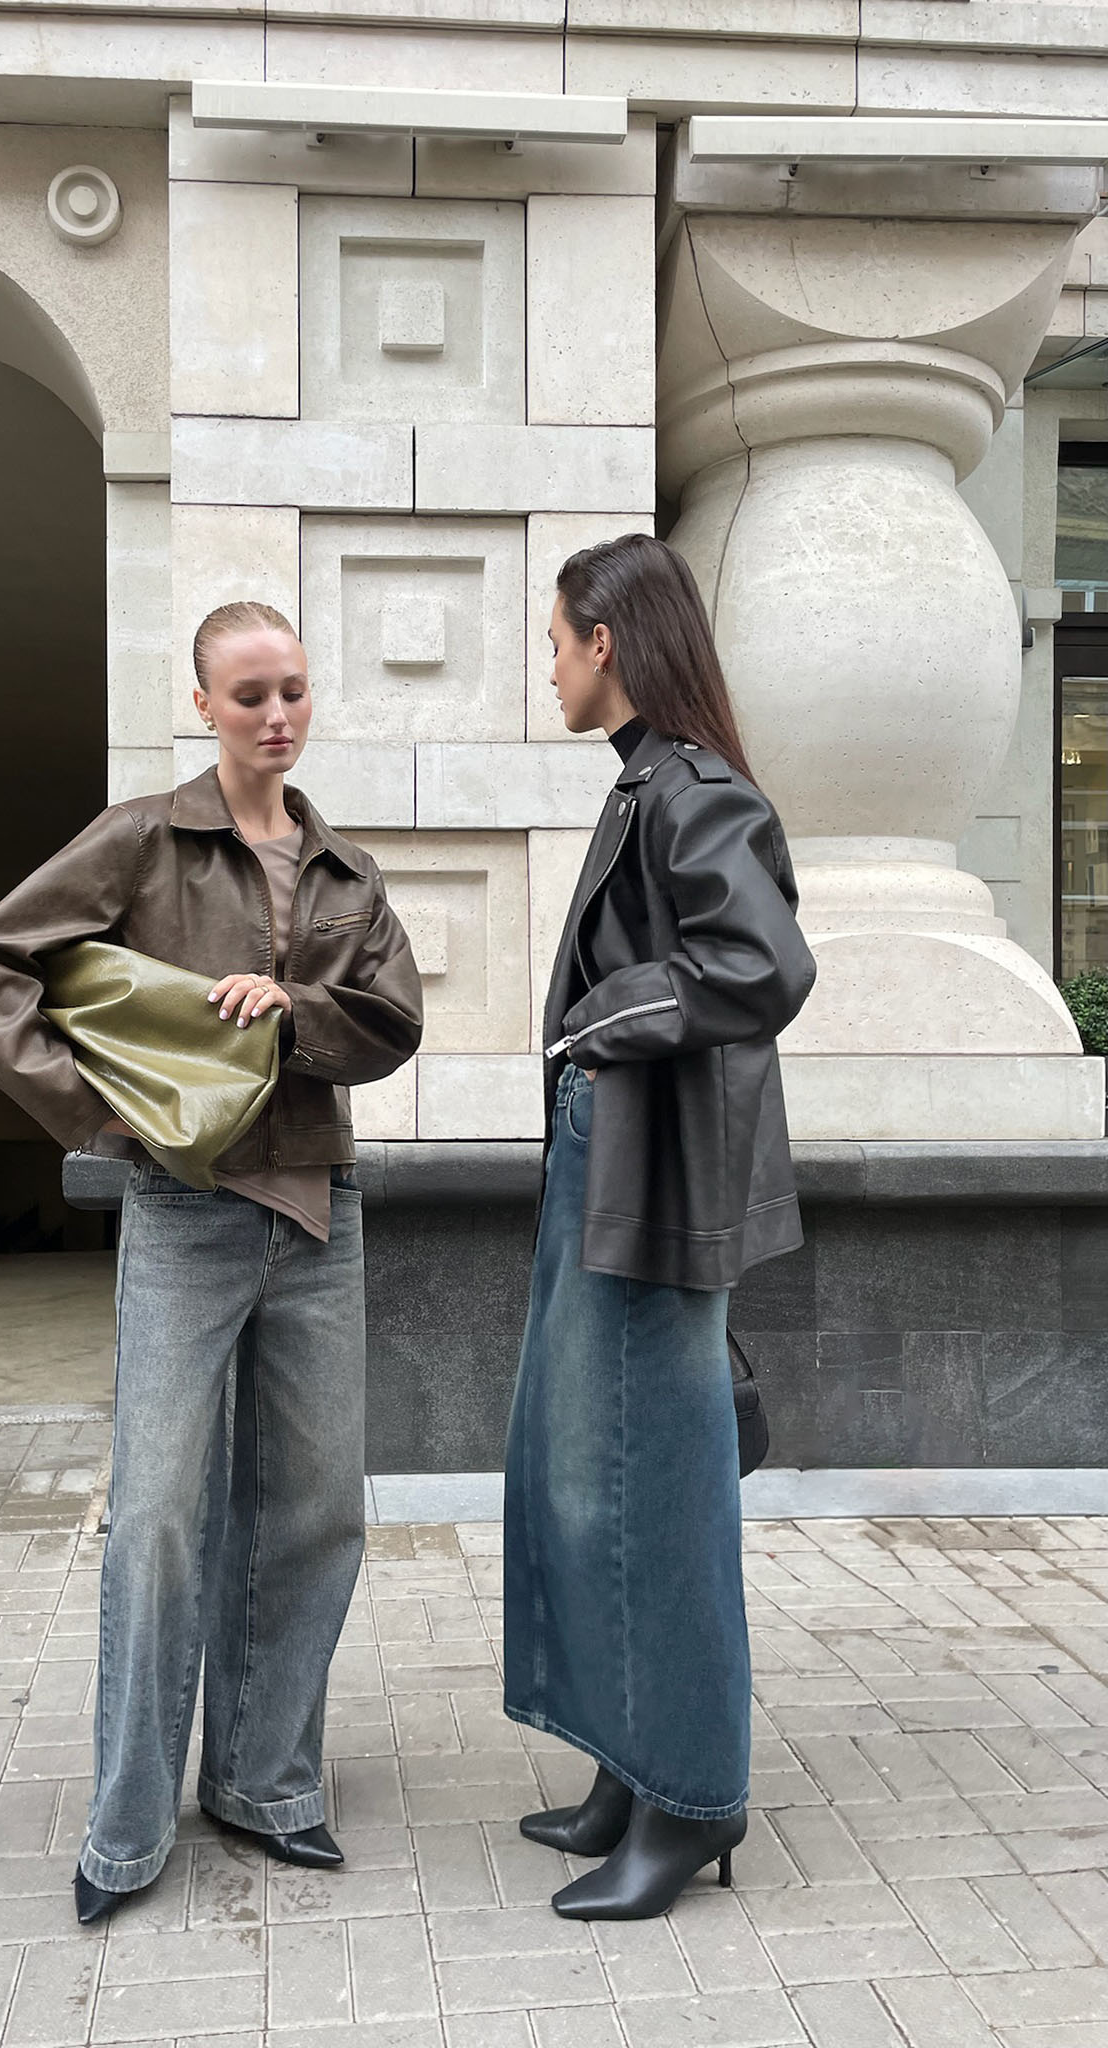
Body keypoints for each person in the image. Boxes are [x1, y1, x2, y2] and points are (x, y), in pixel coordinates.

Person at [0, 601, 423, 1923]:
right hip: (183, 1212)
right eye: (250, 693)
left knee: (315, 1513)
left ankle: (267, 1784)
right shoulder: (143, 839)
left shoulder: (345, 871)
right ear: (204, 703)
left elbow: (393, 1021)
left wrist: (295, 1010)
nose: (277, 715)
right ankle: (128, 1826)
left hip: (319, 1214)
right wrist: (96, 1112)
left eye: (295, 690)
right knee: (156, 1517)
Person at [504, 534, 817, 1921]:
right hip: (615, 1167)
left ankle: (691, 1800)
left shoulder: (697, 790)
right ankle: (635, 1768)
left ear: (607, 641)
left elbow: (761, 963)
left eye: (557, 640)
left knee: (656, 1491)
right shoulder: (648, 783)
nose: (550, 666)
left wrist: (596, 1023)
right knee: (586, 1475)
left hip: (654, 1183)